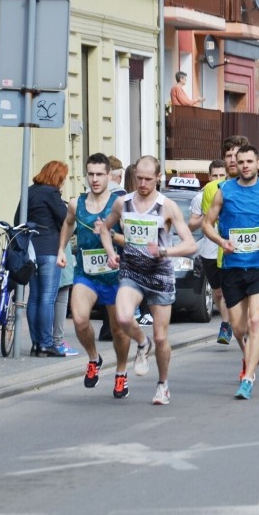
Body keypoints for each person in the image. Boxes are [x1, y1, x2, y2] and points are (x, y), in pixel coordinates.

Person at [99, 155, 197, 404]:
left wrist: (166, 251)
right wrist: (111, 253)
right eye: (139, 179)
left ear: (158, 178)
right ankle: (142, 343)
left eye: (148, 179)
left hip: (160, 274)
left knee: (162, 337)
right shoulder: (123, 203)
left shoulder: (167, 207)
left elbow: (190, 244)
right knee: (122, 318)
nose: (143, 184)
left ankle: (163, 384)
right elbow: (105, 229)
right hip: (131, 271)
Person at [203, 145, 259, 400]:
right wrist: (221, 242)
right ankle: (249, 357)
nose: (244, 165)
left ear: (257, 164)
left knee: (255, 320)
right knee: (239, 328)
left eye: (249, 161)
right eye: (240, 161)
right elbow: (206, 223)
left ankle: (248, 377)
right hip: (232, 267)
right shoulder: (225, 191)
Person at [57, 153, 131, 393]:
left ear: (110, 176)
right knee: (79, 320)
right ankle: (93, 358)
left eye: (100, 174)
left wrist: (109, 235)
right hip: (86, 273)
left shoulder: (119, 204)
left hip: (115, 275)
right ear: (86, 175)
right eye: (91, 174)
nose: (95, 179)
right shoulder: (76, 203)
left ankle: (121, 372)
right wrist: (61, 250)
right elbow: (68, 223)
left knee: (118, 330)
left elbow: (131, 238)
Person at [201, 135, 250, 344]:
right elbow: (208, 224)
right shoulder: (213, 189)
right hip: (226, 255)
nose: (232, 159)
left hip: (255, 256)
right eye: (228, 155)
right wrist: (221, 241)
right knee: (225, 298)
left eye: (236, 155)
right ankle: (231, 327)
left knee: (251, 313)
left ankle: (250, 347)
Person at [17, 160, 68, 357]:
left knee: (35, 297)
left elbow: (17, 219)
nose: (63, 182)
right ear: (57, 177)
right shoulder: (51, 193)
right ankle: (46, 343)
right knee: (48, 298)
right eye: (62, 178)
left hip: (30, 250)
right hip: (49, 248)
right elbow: (65, 219)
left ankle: (36, 344)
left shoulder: (29, 191)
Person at [188, 159, 232, 344]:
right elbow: (191, 225)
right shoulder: (201, 197)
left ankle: (226, 325)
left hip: (228, 249)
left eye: (222, 175)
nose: (218, 179)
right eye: (215, 175)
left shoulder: (230, 193)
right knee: (218, 292)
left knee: (230, 289)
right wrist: (207, 216)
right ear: (209, 177)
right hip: (209, 250)